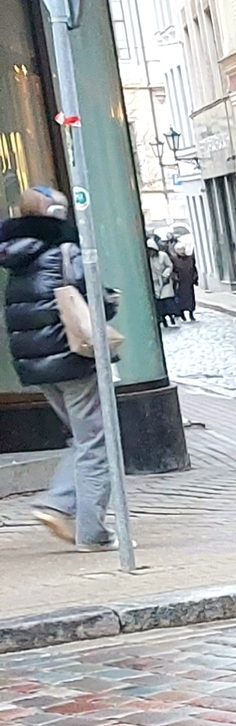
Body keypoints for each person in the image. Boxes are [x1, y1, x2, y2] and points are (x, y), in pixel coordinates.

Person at [2, 187, 114, 549]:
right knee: (98, 444)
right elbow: (94, 299)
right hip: (72, 357)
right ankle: (90, 531)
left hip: (38, 365)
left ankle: (60, 502)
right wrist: (110, 302)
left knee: (83, 439)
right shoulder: (65, 250)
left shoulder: (17, 257)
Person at [170, 233, 198, 321]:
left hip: (188, 282)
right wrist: (175, 279)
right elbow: (172, 271)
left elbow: (194, 268)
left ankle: (191, 313)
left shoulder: (190, 259)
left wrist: (195, 278)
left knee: (190, 299)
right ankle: (181, 314)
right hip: (180, 283)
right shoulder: (174, 260)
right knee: (181, 300)